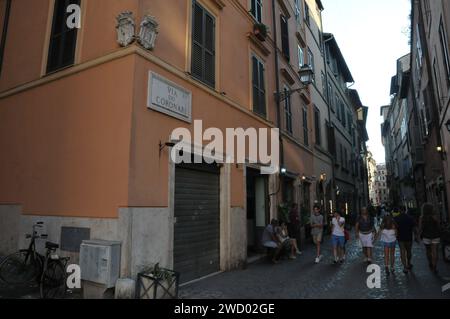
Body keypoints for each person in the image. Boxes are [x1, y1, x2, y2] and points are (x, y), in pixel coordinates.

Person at [419, 203, 441, 274]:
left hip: (426, 236)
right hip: (435, 236)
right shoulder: (435, 217)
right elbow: (438, 225)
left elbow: (420, 228)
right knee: (435, 252)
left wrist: (418, 235)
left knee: (428, 251)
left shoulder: (421, 218)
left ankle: (430, 263)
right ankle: (434, 266)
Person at [394, 206, 417, 274]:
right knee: (409, 251)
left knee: (402, 251)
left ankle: (405, 267)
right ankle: (409, 263)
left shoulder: (396, 218)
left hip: (400, 237)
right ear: (405, 210)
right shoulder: (410, 218)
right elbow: (414, 228)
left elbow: (394, 228)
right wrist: (416, 236)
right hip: (409, 237)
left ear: (399, 210)